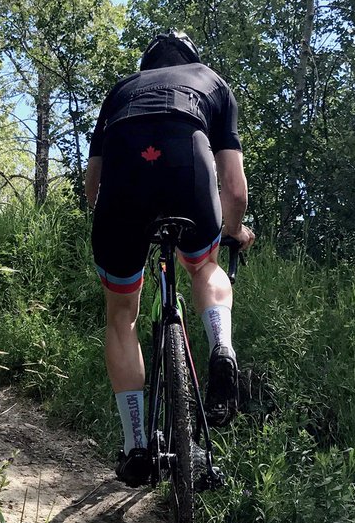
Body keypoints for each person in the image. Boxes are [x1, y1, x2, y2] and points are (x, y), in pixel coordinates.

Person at [85, 30, 255, 487]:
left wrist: (119, 216)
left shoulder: (121, 90)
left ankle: (137, 443)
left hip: (124, 180)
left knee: (122, 316)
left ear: (148, 64)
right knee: (204, 266)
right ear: (190, 58)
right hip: (187, 163)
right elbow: (235, 188)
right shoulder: (210, 81)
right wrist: (233, 231)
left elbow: (91, 189)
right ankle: (222, 346)